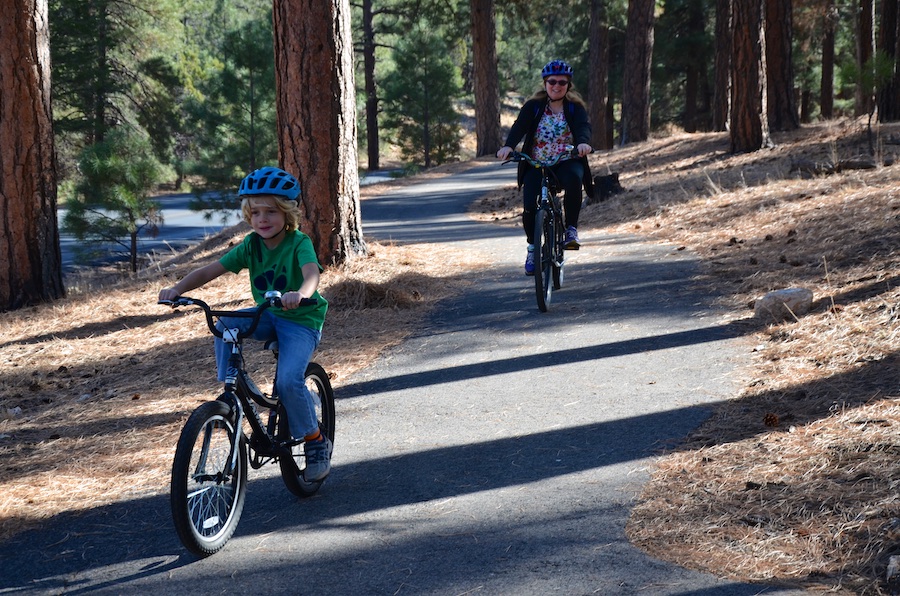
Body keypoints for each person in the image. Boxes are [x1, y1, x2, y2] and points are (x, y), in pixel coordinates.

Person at [157, 166, 332, 481]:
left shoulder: (298, 242)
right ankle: (229, 385)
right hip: (269, 314)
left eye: (271, 212)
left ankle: (315, 440)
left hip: (301, 319)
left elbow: (311, 274)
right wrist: (177, 290)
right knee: (224, 322)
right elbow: (210, 270)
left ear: (287, 213)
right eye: (255, 212)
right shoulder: (251, 245)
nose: (262, 219)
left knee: (290, 381)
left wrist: (300, 294)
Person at [497, 59, 595, 275]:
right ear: (545, 83)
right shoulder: (533, 107)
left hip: (567, 159)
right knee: (530, 207)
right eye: (552, 81)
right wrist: (508, 146)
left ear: (568, 85)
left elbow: (582, 127)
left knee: (574, 179)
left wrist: (582, 143)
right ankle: (532, 248)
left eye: (562, 82)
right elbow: (519, 127)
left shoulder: (574, 107)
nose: (556, 86)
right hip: (536, 162)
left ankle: (570, 230)